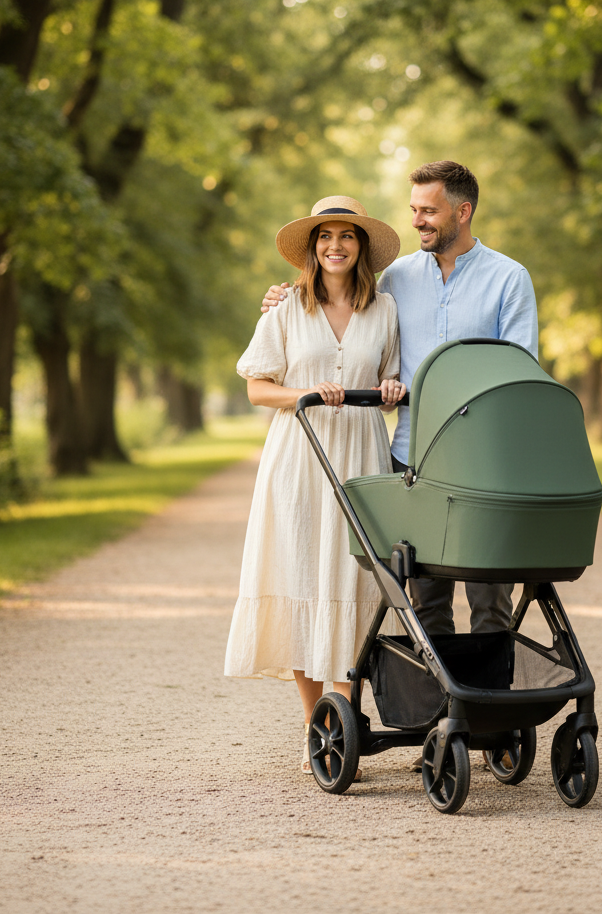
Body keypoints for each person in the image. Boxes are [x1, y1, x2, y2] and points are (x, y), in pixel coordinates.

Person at [264, 161, 538, 639]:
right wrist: (281, 298)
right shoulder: (394, 280)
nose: (416, 221)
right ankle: (436, 709)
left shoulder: (509, 279)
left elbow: (518, 372)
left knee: (490, 599)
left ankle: (492, 711)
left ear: (463, 210)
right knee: (425, 600)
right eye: (414, 210)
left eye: (428, 211)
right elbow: (343, 305)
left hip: (483, 465)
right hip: (411, 459)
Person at [224, 195, 407, 775]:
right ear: (312, 247)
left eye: (346, 237)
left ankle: (346, 715)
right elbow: (257, 387)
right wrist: (304, 395)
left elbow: (390, 372)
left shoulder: (384, 309)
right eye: (325, 237)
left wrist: (393, 388)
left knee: (357, 580)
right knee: (300, 573)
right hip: (300, 457)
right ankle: (316, 723)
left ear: (361, 247)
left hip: (360, 452)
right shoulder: (284, 310)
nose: (335, 246)